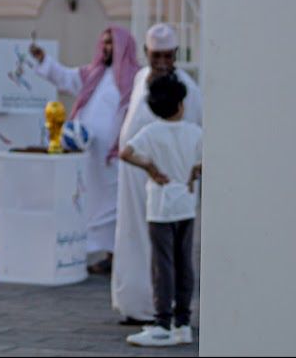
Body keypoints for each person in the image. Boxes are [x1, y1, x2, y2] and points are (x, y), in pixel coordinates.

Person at [28, 25, 141, 273]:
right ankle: (96, 252)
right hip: (90, 156)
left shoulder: (136, 78)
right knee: (91, 203)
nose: (107, 47)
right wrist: (44, 59)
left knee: (116, 207)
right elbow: (65, 78)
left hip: (116, 156)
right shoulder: (93, 73)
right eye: (104, 42)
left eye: (112, 43)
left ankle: (117, 257)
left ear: (124, 46)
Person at [113, 23, 202, 325]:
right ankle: (134, 302)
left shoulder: (187, 89)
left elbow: (197, 136)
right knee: (132, 235)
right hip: (134, 179)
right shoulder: (141, 78)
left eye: (167, 55)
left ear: (175, 53)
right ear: (146, 53)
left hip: (168, 184)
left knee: (165, 251)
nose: (162, 62)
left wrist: (189, 173)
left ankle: (164, 311)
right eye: (156, 56)